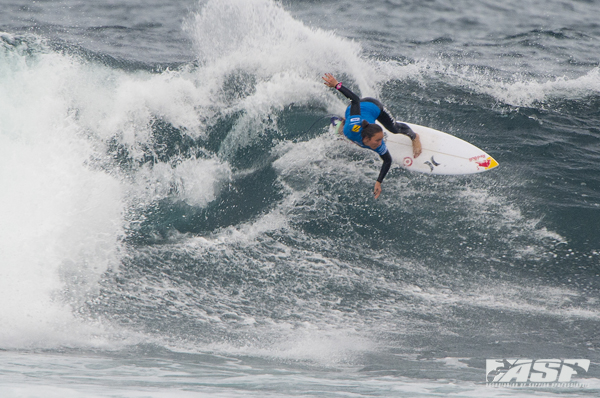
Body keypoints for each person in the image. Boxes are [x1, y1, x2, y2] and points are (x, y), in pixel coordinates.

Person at [322, 73, 422, 199]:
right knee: (344, 131)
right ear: (366, 139)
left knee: (394, 129)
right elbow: (355, 100)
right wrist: (337, 85)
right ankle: (343, 120)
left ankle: (414, 137)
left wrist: (378, 182)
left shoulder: (376, 144)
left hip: (375, 107)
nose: (381, 144)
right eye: (378, 140)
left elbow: (387, 160)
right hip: (357, 110)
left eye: (381, 139)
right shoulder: (352, 129)